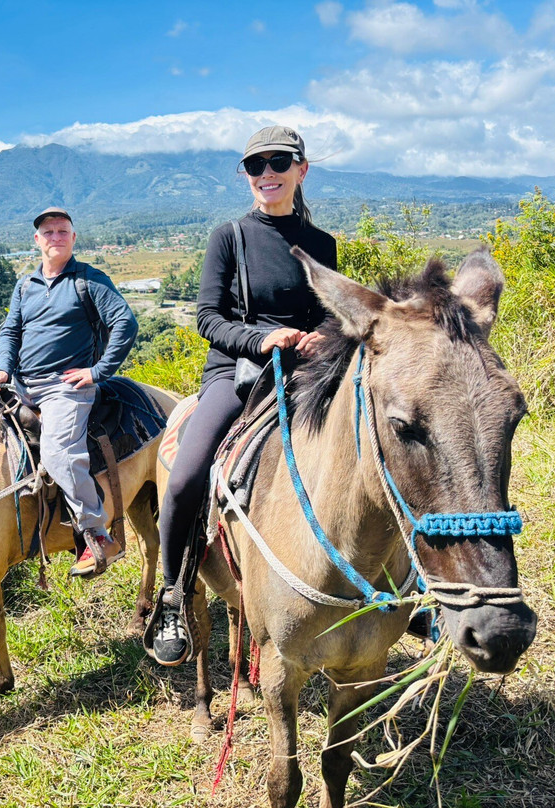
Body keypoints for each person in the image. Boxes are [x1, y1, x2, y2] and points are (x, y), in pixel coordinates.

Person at [150, 125, 338, 665]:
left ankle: (410, 586)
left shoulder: (322, 244)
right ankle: (173, 593)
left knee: (382, 441)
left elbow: (329, 311)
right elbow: (208, 318)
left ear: (302, 169)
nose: (267, 174)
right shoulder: (229, 236)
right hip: (239, 373)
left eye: (279, 162)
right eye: (256, 166)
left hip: (308, 372)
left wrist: (327, 333)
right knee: (186, 476)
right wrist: (261, 338)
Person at [0, 207, 139, 577]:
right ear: (37, 240)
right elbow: (10, 332)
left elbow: (125, 322)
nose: (55, 237)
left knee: (59, 454)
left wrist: (98, 371)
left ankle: (96, 535)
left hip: (65, 388)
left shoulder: (90, 280)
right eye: (48, 232)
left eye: (62, 231)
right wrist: (4, 368)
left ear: (73, 239)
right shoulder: (25, 286)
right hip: (21, 384)